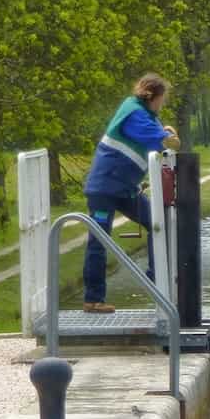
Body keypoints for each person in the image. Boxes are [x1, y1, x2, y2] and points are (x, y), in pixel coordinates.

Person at [81, 73, 180, 313]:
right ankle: (93, 300)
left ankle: (155, 280)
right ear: (153, 97)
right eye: (162, 100)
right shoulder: (135, 115)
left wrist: (166, 132)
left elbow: (161, 134)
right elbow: (170, 143)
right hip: (105, 189)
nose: (162, 105)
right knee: (98, 240)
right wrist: (171, 135)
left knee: (159, 223)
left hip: (125, 189)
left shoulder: (141, 112)